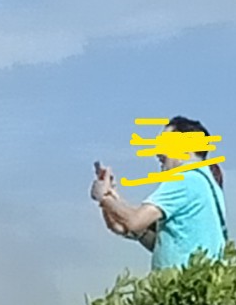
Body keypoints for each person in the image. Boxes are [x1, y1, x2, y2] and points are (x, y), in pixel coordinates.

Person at [93, 115, 227, 270]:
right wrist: (111, 198)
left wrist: (104, 198)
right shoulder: (204, 183)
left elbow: (134, 221)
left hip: (184, 283)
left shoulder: (185, 179)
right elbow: (124, 227)